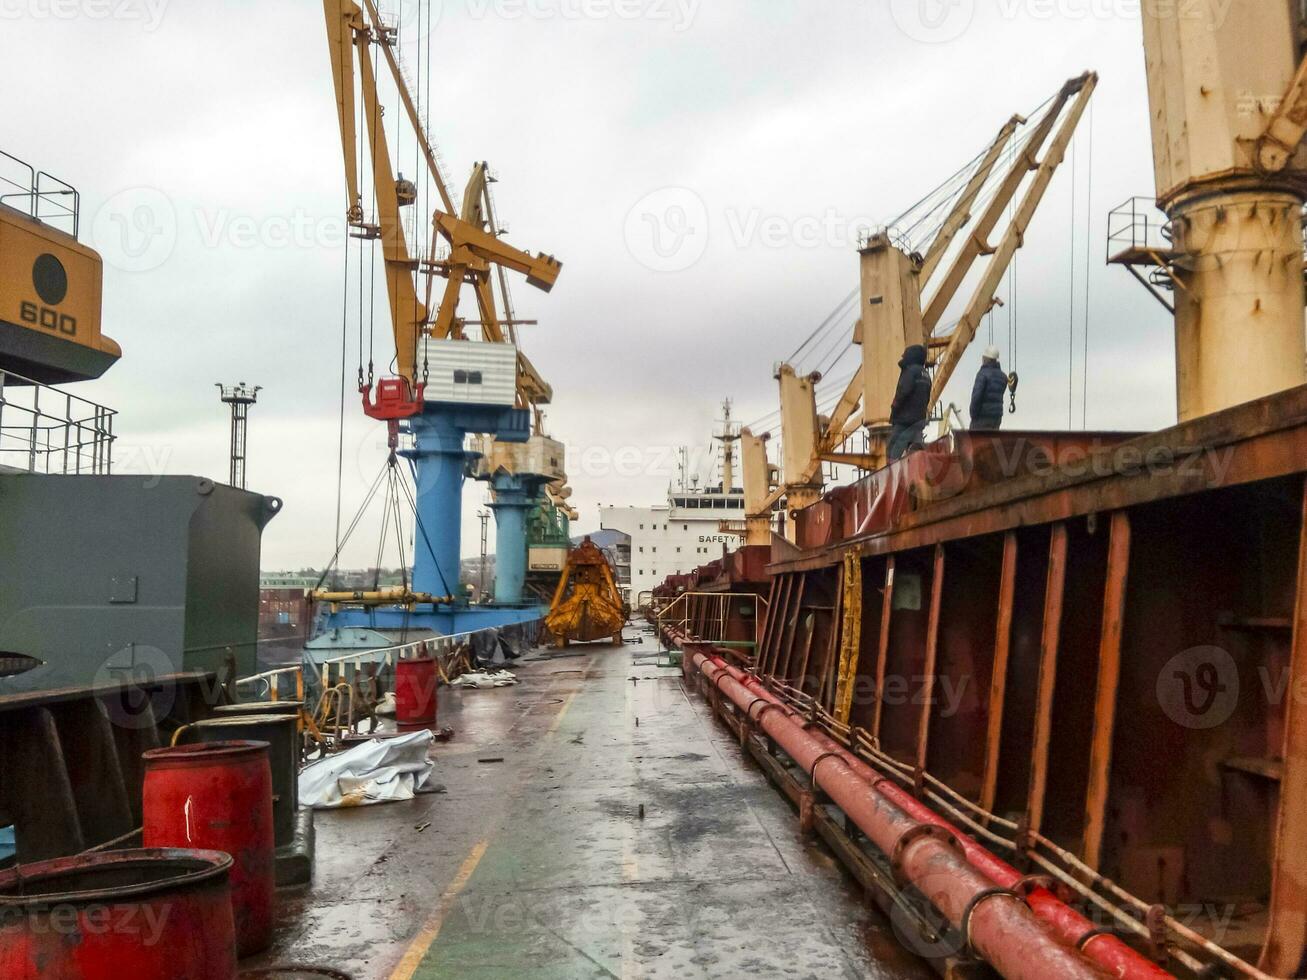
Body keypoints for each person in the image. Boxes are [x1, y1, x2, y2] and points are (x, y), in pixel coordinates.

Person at [888, 344, 931, 460]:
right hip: (918, 421)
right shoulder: (926, 375)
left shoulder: (910, 372)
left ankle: (892, 475)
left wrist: (894, 409)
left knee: (892, 451)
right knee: (916, 451)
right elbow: (927, 398)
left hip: (904, 421)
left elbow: (902, 393)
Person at [970, 346, 1009, 431]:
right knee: (991, 442)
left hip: (982, 418)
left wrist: (973, 415)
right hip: (996, 418)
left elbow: (976, 396)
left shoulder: (982, 374)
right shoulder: (1003, 377)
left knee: (976, 442)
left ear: (985, 358)